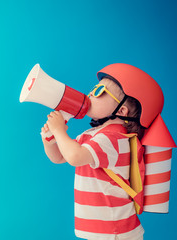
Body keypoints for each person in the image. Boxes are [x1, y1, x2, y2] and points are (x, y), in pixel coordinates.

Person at [41, 64, 150, 240]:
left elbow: (75, 157)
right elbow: (60, 157)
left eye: (100, 92)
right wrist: (50, 140)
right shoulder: (92, 135)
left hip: (115, 232)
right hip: (104, 231)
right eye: (93, 89)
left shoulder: (114, 138)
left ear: (121, 110)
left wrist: (60, 131)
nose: (90, 94)